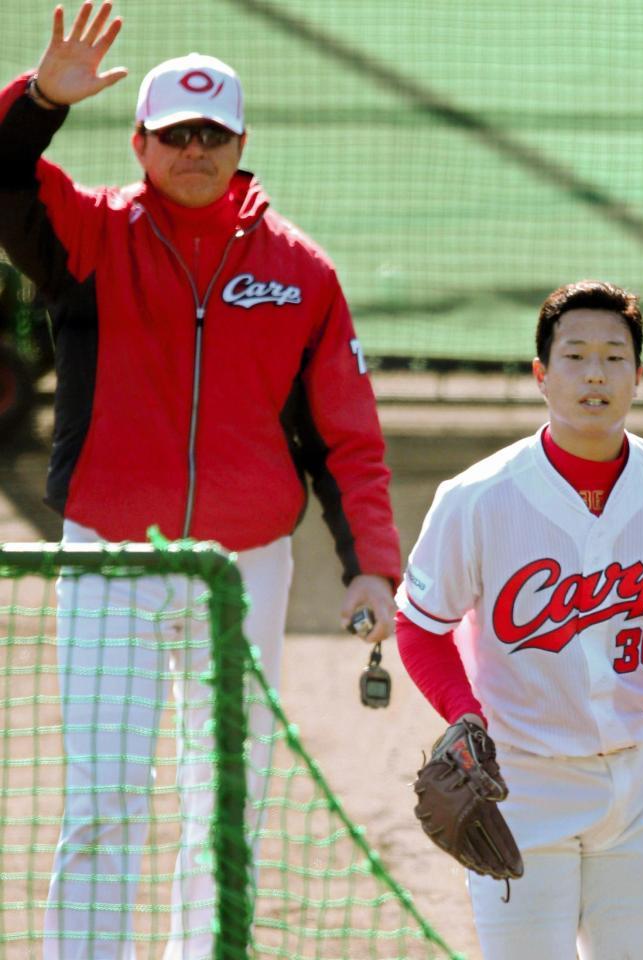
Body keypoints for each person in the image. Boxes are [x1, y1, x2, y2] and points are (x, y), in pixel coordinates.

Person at [0, 3, 400, 958]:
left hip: (246, 570)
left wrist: (371, 565)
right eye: (175, 133)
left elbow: (348, 438)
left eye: (211, 133)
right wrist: (38, 103)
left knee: (229, 800)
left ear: (240, 143)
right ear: (139, 143)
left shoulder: (301, 272)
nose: (194, 149)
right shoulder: (87, 239)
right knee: (104, 798)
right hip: (109, 565)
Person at [395, 280, 643, 959]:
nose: (596, 373)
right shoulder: (477, 499)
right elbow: (421, 626)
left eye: (616, 358)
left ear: (639, 376)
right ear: (541, 374)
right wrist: (461, 711)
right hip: (521, 785)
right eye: (576, 356)